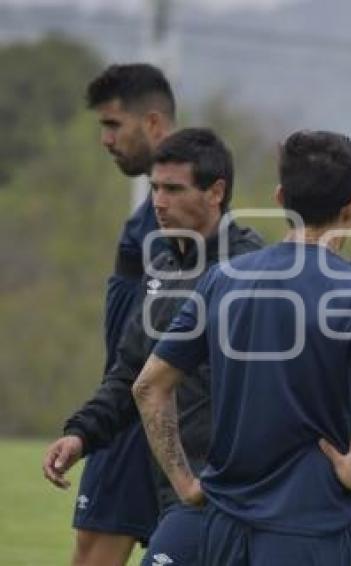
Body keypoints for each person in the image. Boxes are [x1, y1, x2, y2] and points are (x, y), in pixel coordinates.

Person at [133, 130, 351, 566]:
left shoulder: (223, 280)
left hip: (223, 525)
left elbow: (149, 387)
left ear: (282, 196)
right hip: (310, 532)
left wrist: (185, 482)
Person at [42, 128, 264, 565]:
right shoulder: (160, 268)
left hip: (232, 498)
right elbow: (129, 373)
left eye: (174, 189)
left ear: (216, 191)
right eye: (155, 188)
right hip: (176, 490)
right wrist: (81, 434)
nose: (159, 202)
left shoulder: (253, 270)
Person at [40, 62, 175, 566]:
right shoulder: (149, 216)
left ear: (155, 124)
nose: (105, 139)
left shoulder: (179, 221)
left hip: (146, 422)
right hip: (127, 412)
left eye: (113, 124)